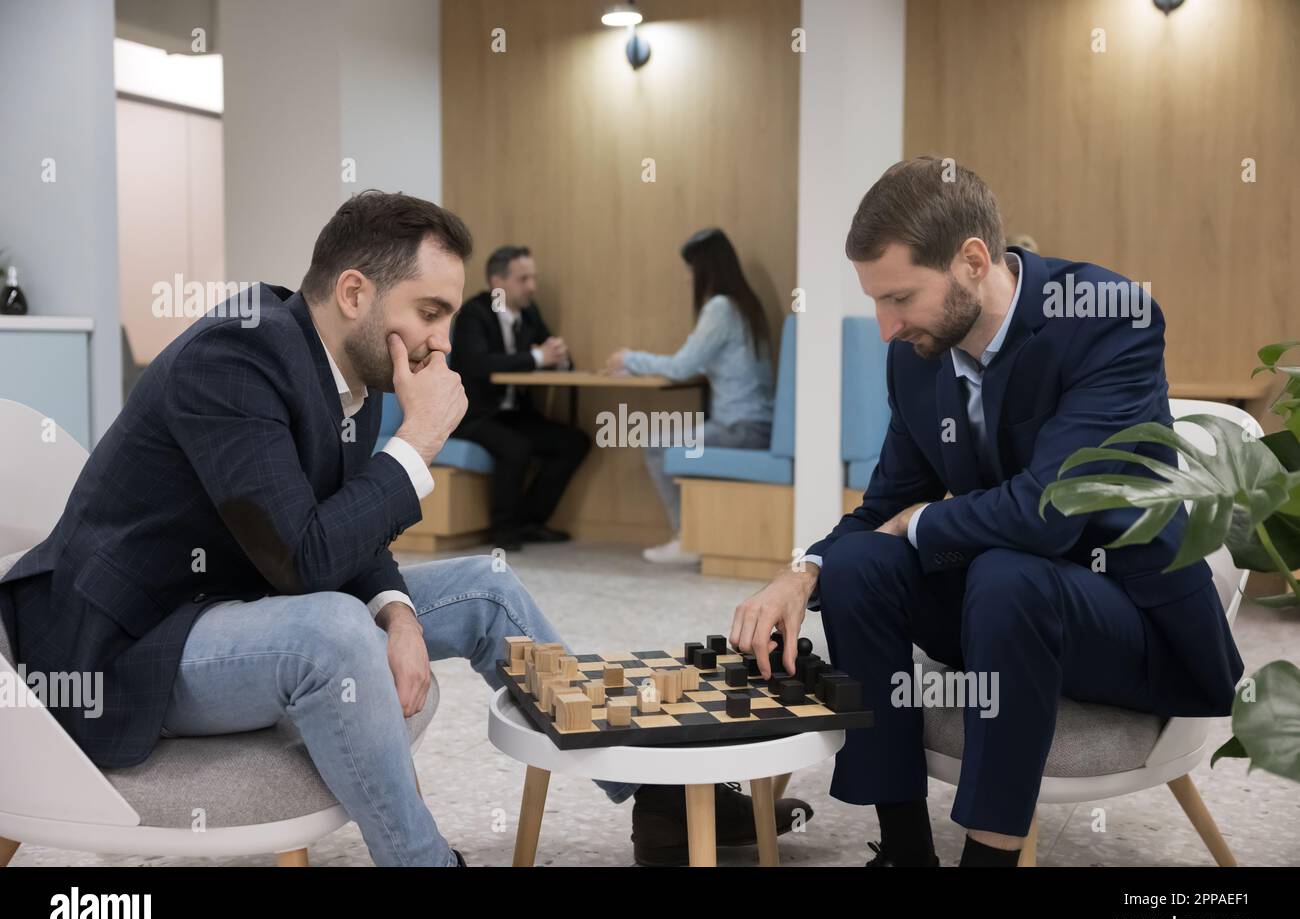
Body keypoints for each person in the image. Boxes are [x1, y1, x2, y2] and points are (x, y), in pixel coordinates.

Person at [0, 191, 808, 866]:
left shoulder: (357, 366)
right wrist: (418, 444)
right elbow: (303, 557)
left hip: (232, 598)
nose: (442, 341)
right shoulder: (234, 360)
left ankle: (658, 801)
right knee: (330, 629)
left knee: (484, 588)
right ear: (355, 292)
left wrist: (397, 608)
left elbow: (342, 531)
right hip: (125, 645)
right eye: (431, 311)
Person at [727, 158, 1243, 867]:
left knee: (1008, 571)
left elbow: (1050, 511)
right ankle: (904, 849)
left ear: (973, 260)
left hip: (1130, 620)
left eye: (900, 298)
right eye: (877, 301)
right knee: (857, 563)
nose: (885, 327)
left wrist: (924, 522)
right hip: (1000, 614)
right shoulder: (917, 355)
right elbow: (883, 507)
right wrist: (801, 573)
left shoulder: (1104, 316)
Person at [606, 228, 775, 565]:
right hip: (754, 425)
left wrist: (629, 359)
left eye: (690, 269)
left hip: (740, 429)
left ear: (705, 269)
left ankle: (687, 538)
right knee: (664, 441)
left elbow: (682, 366)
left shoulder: (720, 308)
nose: (687, 279)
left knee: (656, 445)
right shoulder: (745, 305)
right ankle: (692, 534)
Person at [449, 246, 589, 551]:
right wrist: (538, 356)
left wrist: (560, 359)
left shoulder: (529, 313)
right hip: (475, 415)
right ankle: (505, 531)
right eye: (523, 279)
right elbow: (479, 364)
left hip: (514, 415)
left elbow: (548, 354)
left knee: (574, 441)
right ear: (497, 281)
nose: (532, 287)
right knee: (516, 447)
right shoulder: (474, 314)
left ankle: (529, 521)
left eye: (533, 279)